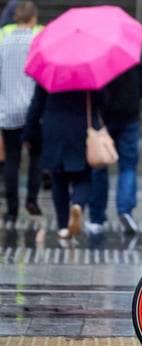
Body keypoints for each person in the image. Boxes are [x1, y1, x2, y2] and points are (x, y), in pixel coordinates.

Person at [86, 47, 142, 235]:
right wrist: (134, 95)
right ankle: (125, 210)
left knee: (99, 165)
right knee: (128, 166)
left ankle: (96, 218)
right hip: (129, 115)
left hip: (103, 117)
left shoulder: (98, 50)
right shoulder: (136, 48)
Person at [24, 87, 105, 239]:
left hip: (55, 130)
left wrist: (29, 133)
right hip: (82, 129)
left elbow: (37, 105)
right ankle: (78, 204)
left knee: (58, 179)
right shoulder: (88, 72)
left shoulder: (50, 72)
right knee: (84, 177)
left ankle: (62, 227)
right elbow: (103, 100)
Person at [0, 1, 41, 223]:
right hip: (32, 110)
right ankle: (32, 198)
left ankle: (11, 209)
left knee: (12, 161)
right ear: (33, 19)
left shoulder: (3, 43)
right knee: (36, 156)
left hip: (7, 112)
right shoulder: (37, 43)